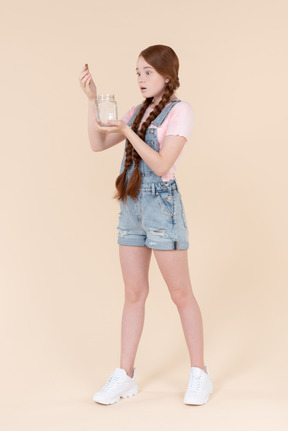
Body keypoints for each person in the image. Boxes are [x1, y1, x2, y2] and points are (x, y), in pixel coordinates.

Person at [79, 45, 213, 406]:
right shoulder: (135, 111)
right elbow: (96, 143)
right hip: (131, 206)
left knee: (180, 294)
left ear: (167, 75)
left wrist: (127, 129)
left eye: (148, 72)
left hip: (162, 209)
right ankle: (125, 376)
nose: (140, 78)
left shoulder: (180, 111)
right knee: (134, 293)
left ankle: (199, 372)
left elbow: (160, 163)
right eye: (137, 71)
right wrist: (92, 100)